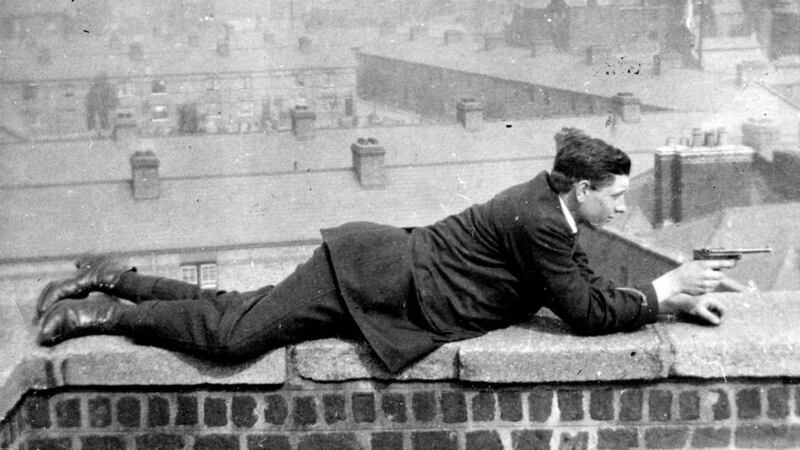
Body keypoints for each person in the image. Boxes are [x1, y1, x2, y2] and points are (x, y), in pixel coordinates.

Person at [35, 129, 736, 374]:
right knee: (232, 337)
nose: (623, 207)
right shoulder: (540, 220)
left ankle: (113, 277)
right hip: (369, 278)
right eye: (617, 196)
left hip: (385, 281)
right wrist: (663, 290)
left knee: (236, 308)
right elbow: (583, 312)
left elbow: (585, 285)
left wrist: (670, 300)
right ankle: (102, 314)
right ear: (582, 188)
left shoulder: (550, 210)